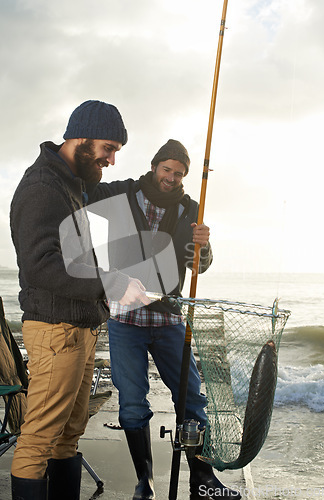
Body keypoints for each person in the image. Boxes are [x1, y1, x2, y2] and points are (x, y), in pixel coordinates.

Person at [9, 100, 150, 500]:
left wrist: (144, 184)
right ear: (81, 139)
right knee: (38, 440)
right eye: (109, 148)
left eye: (116, 152)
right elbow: (42, 267)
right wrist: (113, 283)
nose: (111, 159)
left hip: (80, 328)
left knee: (68, 436)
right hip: (56, 332)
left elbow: (103, 193)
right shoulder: (41, 186)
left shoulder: (71, 183)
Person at [87, 139, 241, 499]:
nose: (172, 177)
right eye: (167, 169)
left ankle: (201, 479)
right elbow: (80, 195)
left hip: (170, 319)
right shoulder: (121, 194)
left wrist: (206, 245)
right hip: (125, 319)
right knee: (133, 403)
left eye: (179, 173)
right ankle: (146, 482)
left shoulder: (191, 209)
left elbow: (197, 265)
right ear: (155, 166)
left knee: (191, 401)